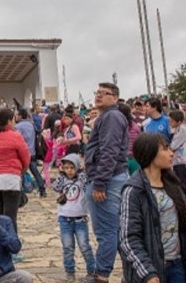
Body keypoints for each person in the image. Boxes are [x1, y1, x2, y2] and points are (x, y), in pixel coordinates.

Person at [119, 133, 186, 283]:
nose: (171, 153)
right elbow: (128, 238)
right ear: (150, 152)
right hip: (150, 270)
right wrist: (148, 273)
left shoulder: (173, 185)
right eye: (165, 149)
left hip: (177, 265)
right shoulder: (134, 190)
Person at [84, 83, 129, 283]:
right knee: (112, 229)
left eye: (105, 93)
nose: (99, 96)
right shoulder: (106, 117)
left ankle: (101, 274)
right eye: (98, 92)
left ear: (116, 98)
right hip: (108, 177)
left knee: (107, 230)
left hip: (107, 180)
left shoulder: (111, 117)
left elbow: (109, 150)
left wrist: (100, 182)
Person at [0, 109, 30, 237]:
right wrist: (22, 170)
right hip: (10, 178)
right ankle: (12, 246)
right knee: (10, 217)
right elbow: (25, 157)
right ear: (9, 121)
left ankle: (1, 244)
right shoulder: (15, 135)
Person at [52, 153, 96, 281]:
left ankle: (91, 270)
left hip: (80, 219)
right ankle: (69, 271)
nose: (69, 170)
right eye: (66, 167)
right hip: (65, 218)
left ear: (77, 167)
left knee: (84, 246)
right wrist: (60, 175)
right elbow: (55, 187)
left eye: (72, 167)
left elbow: (87, 185)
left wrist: (81, 174)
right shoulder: (62, 179)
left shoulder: (81, 180)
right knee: (67, 247)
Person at [14, 109, 46, 198]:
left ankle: (19, 192)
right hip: (32, 152)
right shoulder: (31, 125)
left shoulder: (18, 127)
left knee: (19, 173)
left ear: (20, 116)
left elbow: (16, 140)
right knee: (35, 172)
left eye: (17, 115)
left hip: (22, 153)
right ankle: (42, 189)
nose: (16, 117)